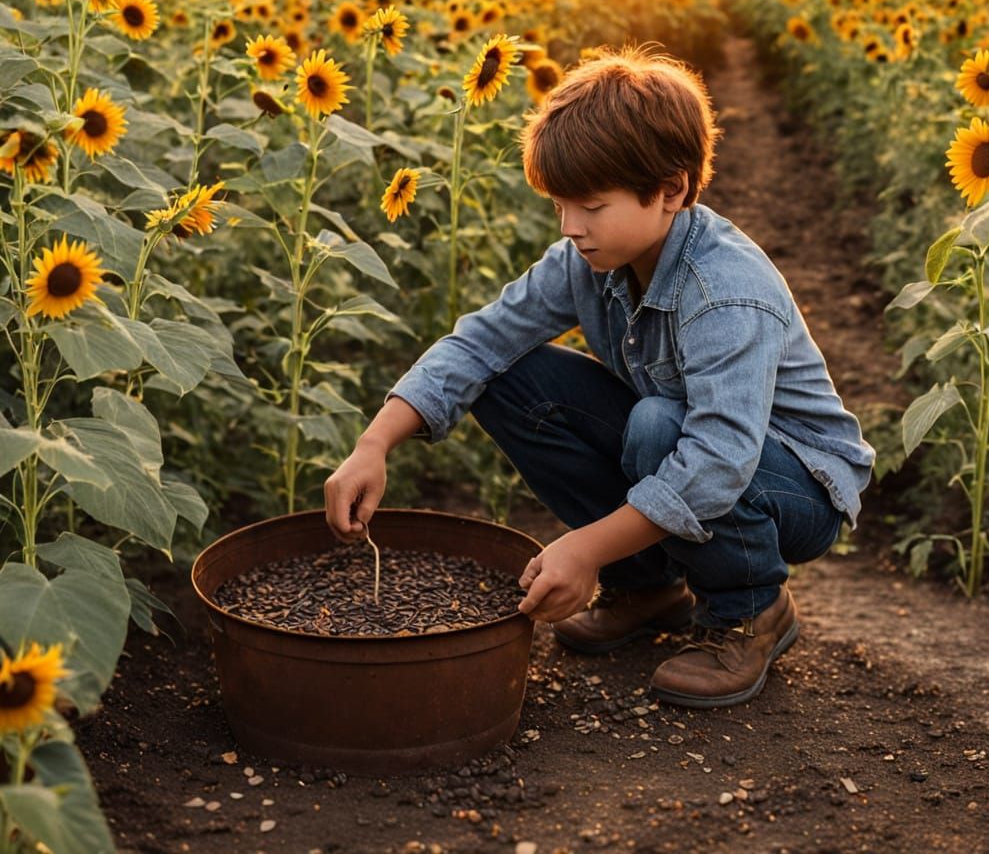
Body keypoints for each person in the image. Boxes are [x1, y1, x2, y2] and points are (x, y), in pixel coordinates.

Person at [324, 44, 875, 709]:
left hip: (795, 485)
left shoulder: (727, 292)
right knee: (508, 375)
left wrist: (584, 548)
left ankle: (748, 608)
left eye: (589, 205)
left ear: (671, 190)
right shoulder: (587, 259)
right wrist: (373, 445)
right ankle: (646, 587)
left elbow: (719, 458)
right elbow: (481, 342)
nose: (570, 227)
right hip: (686, 444)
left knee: (658, 427)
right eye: (560, 205)